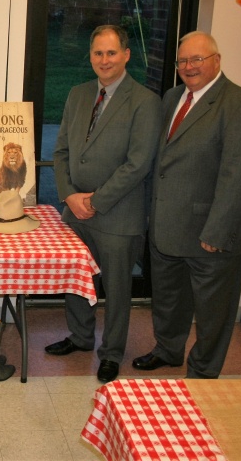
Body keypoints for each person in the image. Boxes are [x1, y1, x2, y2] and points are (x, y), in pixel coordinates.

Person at [132, 31, 241, 379]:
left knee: (212, 311)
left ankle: (203, 371)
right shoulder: (173, 97)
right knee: (168, 301)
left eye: (197, 59)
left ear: (216, 61)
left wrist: (216, 231)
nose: (189, 67)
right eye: (183, 61)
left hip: (211, 235)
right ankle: (168, 349)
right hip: (166, 228)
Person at [47, 25, 162, 383]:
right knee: (76, 279)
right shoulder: (79, 94)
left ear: (127, 54)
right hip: (75, 209)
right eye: (98, 53)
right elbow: (62, 149)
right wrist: (68, 195)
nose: (104, 60)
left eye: (111, 53)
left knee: (116, 288)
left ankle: (111, 353)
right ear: (91, 56)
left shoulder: (145, 102)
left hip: (118, 214)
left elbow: (138, 163)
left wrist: (95, 201)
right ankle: (80, 338)